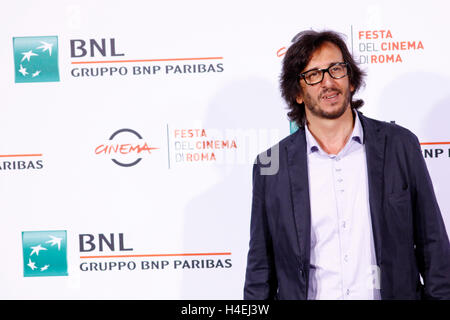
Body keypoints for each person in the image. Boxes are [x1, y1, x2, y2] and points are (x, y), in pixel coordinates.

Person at [243, 30, 450, 300]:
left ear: (350, 80)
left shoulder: (400, 146)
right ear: (297, 93)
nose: (328, 82)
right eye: (313, 75)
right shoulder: (271, 167)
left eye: (336, 69)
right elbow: (260, 271)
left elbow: (433, 246)